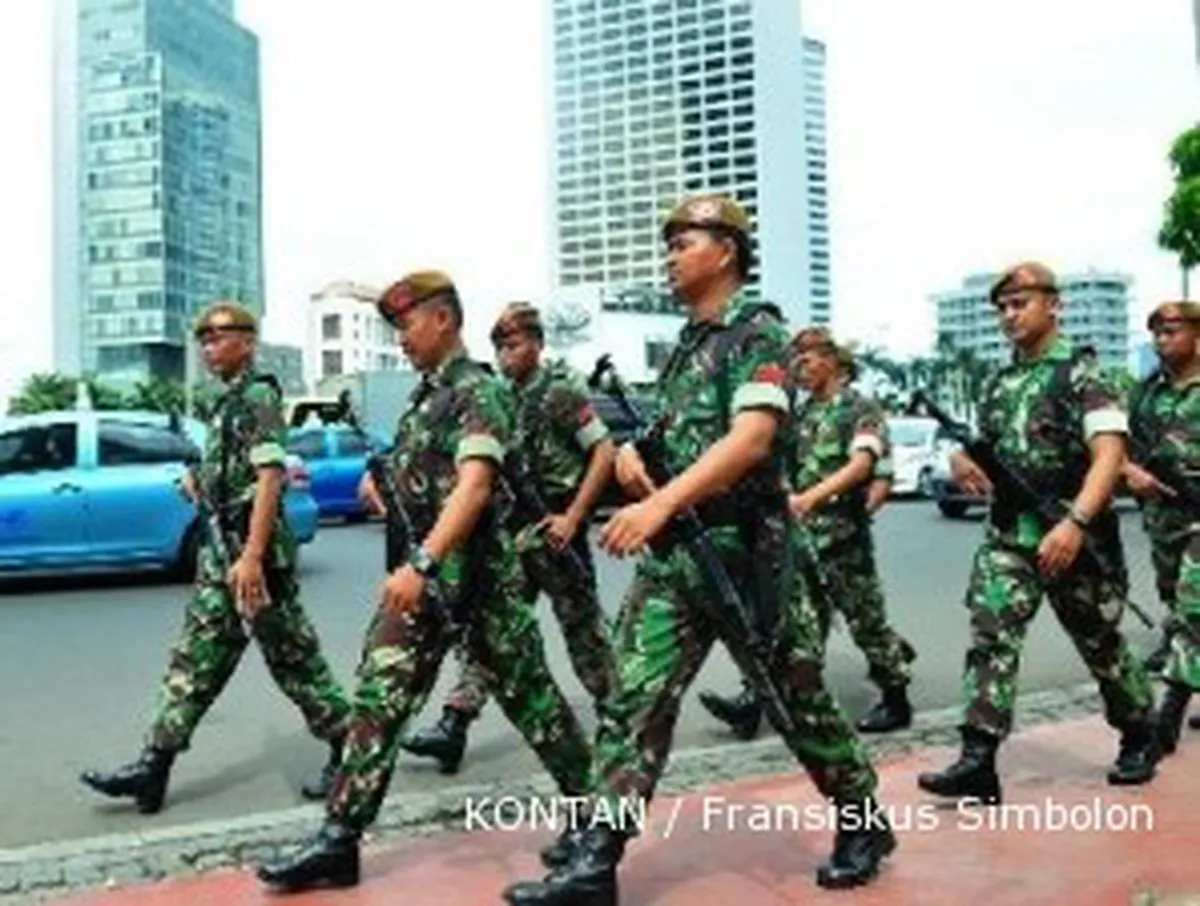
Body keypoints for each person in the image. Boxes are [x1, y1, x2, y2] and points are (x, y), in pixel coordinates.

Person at [503, 195, 894, 906]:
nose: (671, 254)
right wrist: (631, 460)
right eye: (671, 242)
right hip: (681, 555)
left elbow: (751, 440)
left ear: (727, 251)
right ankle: (596, 861)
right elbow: (682, 440)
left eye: (686, 241)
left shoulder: (758, 335)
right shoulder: (689, 346)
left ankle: (863, 818)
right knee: (634, 699)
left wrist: (656, 503)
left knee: (794, 697)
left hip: (750, 553)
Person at [256, 271, 593, 892]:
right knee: (378, 702)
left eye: (407, 325)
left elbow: (476, 484)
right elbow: (430, 482)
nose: (401, 338)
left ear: (443, 319)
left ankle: (594, 823)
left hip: (477, 587)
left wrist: (424, 562)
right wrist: (382, 484)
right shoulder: (426, 399)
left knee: (538, 707)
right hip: (426, 592)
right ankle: (339, 840)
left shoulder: (477, 393)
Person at [80, 302, 351, 814]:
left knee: (295, 662)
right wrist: (198, 481)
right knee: (194, 661)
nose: (208, 347)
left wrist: (251, 556)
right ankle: (152, 767)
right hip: (221, 554)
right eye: (203, 339)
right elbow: (234, 476)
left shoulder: (259, 396)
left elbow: (271, 477)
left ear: (248, 341)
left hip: (253, 560)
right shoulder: (228, 403)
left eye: (219, 337)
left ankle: (349, 749)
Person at [917, 262, 1159, 806]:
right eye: (1002, 306)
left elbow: (1108, 456)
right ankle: (978, 758)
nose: (1009, 314)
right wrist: (960, 457)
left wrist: (1074, 523)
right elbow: (989, 446)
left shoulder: (1084, 374)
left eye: (1020, 303)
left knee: (1099, 642)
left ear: (1053, 304)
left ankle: (1139, 729)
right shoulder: (1002, 382)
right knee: (991, 636)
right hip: (1009, 536)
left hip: (1073, 535)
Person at [400, 301, 617, 774]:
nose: (506, 355)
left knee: (585, 634)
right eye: (499, 346)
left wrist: (575, 516)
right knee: (489, 632)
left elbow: (604, 451)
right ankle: (454, 723)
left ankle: (619, 722)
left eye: (515, 345)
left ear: (537, 344)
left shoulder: (559, 392)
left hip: (556, 531)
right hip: (514, 535)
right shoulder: (495, 394)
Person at [698, 332, 913, 738]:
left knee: (866, 622)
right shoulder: (802, 413)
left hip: (843, 540)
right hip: (800, 538)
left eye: (808, 360)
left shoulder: (858, 409)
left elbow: (863, 464)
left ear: (832, 361)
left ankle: (896, 698)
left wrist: (813, 498)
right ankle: (754, 703)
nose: (800, 368)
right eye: (796, 362)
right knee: (787, 625)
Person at [1122, 301, 1200, 749]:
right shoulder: (1147, 393)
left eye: (1172, 331)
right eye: (1157, 333)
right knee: (1177, 604)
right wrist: (1130, 471)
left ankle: (1167, 720)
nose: (1163, 340)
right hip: (1164, 521)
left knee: (1192, 614)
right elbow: (1121, 446)